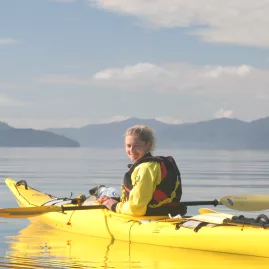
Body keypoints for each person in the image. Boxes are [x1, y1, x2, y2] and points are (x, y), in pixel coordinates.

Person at [98, 125, 186, 216]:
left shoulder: (145, 168)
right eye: (128, 146)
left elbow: (136, 208)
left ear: (149, 145)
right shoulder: (153, 165)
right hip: (165, 213)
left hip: (149, 217)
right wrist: (117, 201)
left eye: (136, 146)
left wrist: (114, 206)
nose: (131, 150)